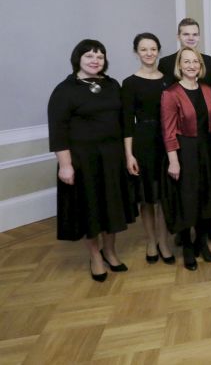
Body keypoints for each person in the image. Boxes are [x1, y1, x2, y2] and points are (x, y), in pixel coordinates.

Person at [48, 39, 136, 282]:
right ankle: (95, 256)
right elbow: (58, 131)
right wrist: (65, 165)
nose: (95, 60)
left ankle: (110, 251)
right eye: (89, 56)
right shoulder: (65, 90)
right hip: (82, 161)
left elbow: (124, 122)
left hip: (112, 158)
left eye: (100, 56)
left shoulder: (112, 85)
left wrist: (128, 155)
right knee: (92, 209)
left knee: (112, 208)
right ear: (78, 59)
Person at [161, 47, 211, 270]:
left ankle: (202, 243)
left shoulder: (207, 90)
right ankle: (188, 247)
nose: (191, 65)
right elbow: (168, 131)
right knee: (187, 200)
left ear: (200, 65)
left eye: (195, 61)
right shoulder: (170, 94)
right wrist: (173, 161)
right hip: (184, 150)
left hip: (207, 148)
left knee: (206, 196)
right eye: (186, 61)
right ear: (179, 66)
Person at [122, 33, 175, 265]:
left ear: (159, 51)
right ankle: (151, 241)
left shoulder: (170, 80)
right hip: (143, 143)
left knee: (164, 196)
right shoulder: (130, 83)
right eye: (143, 49)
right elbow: (126, 123)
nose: (149, 53)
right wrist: (129, 155)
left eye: (153, 49)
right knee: (147, 198)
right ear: (136, 52)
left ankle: (164, 241)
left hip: (167, 142)